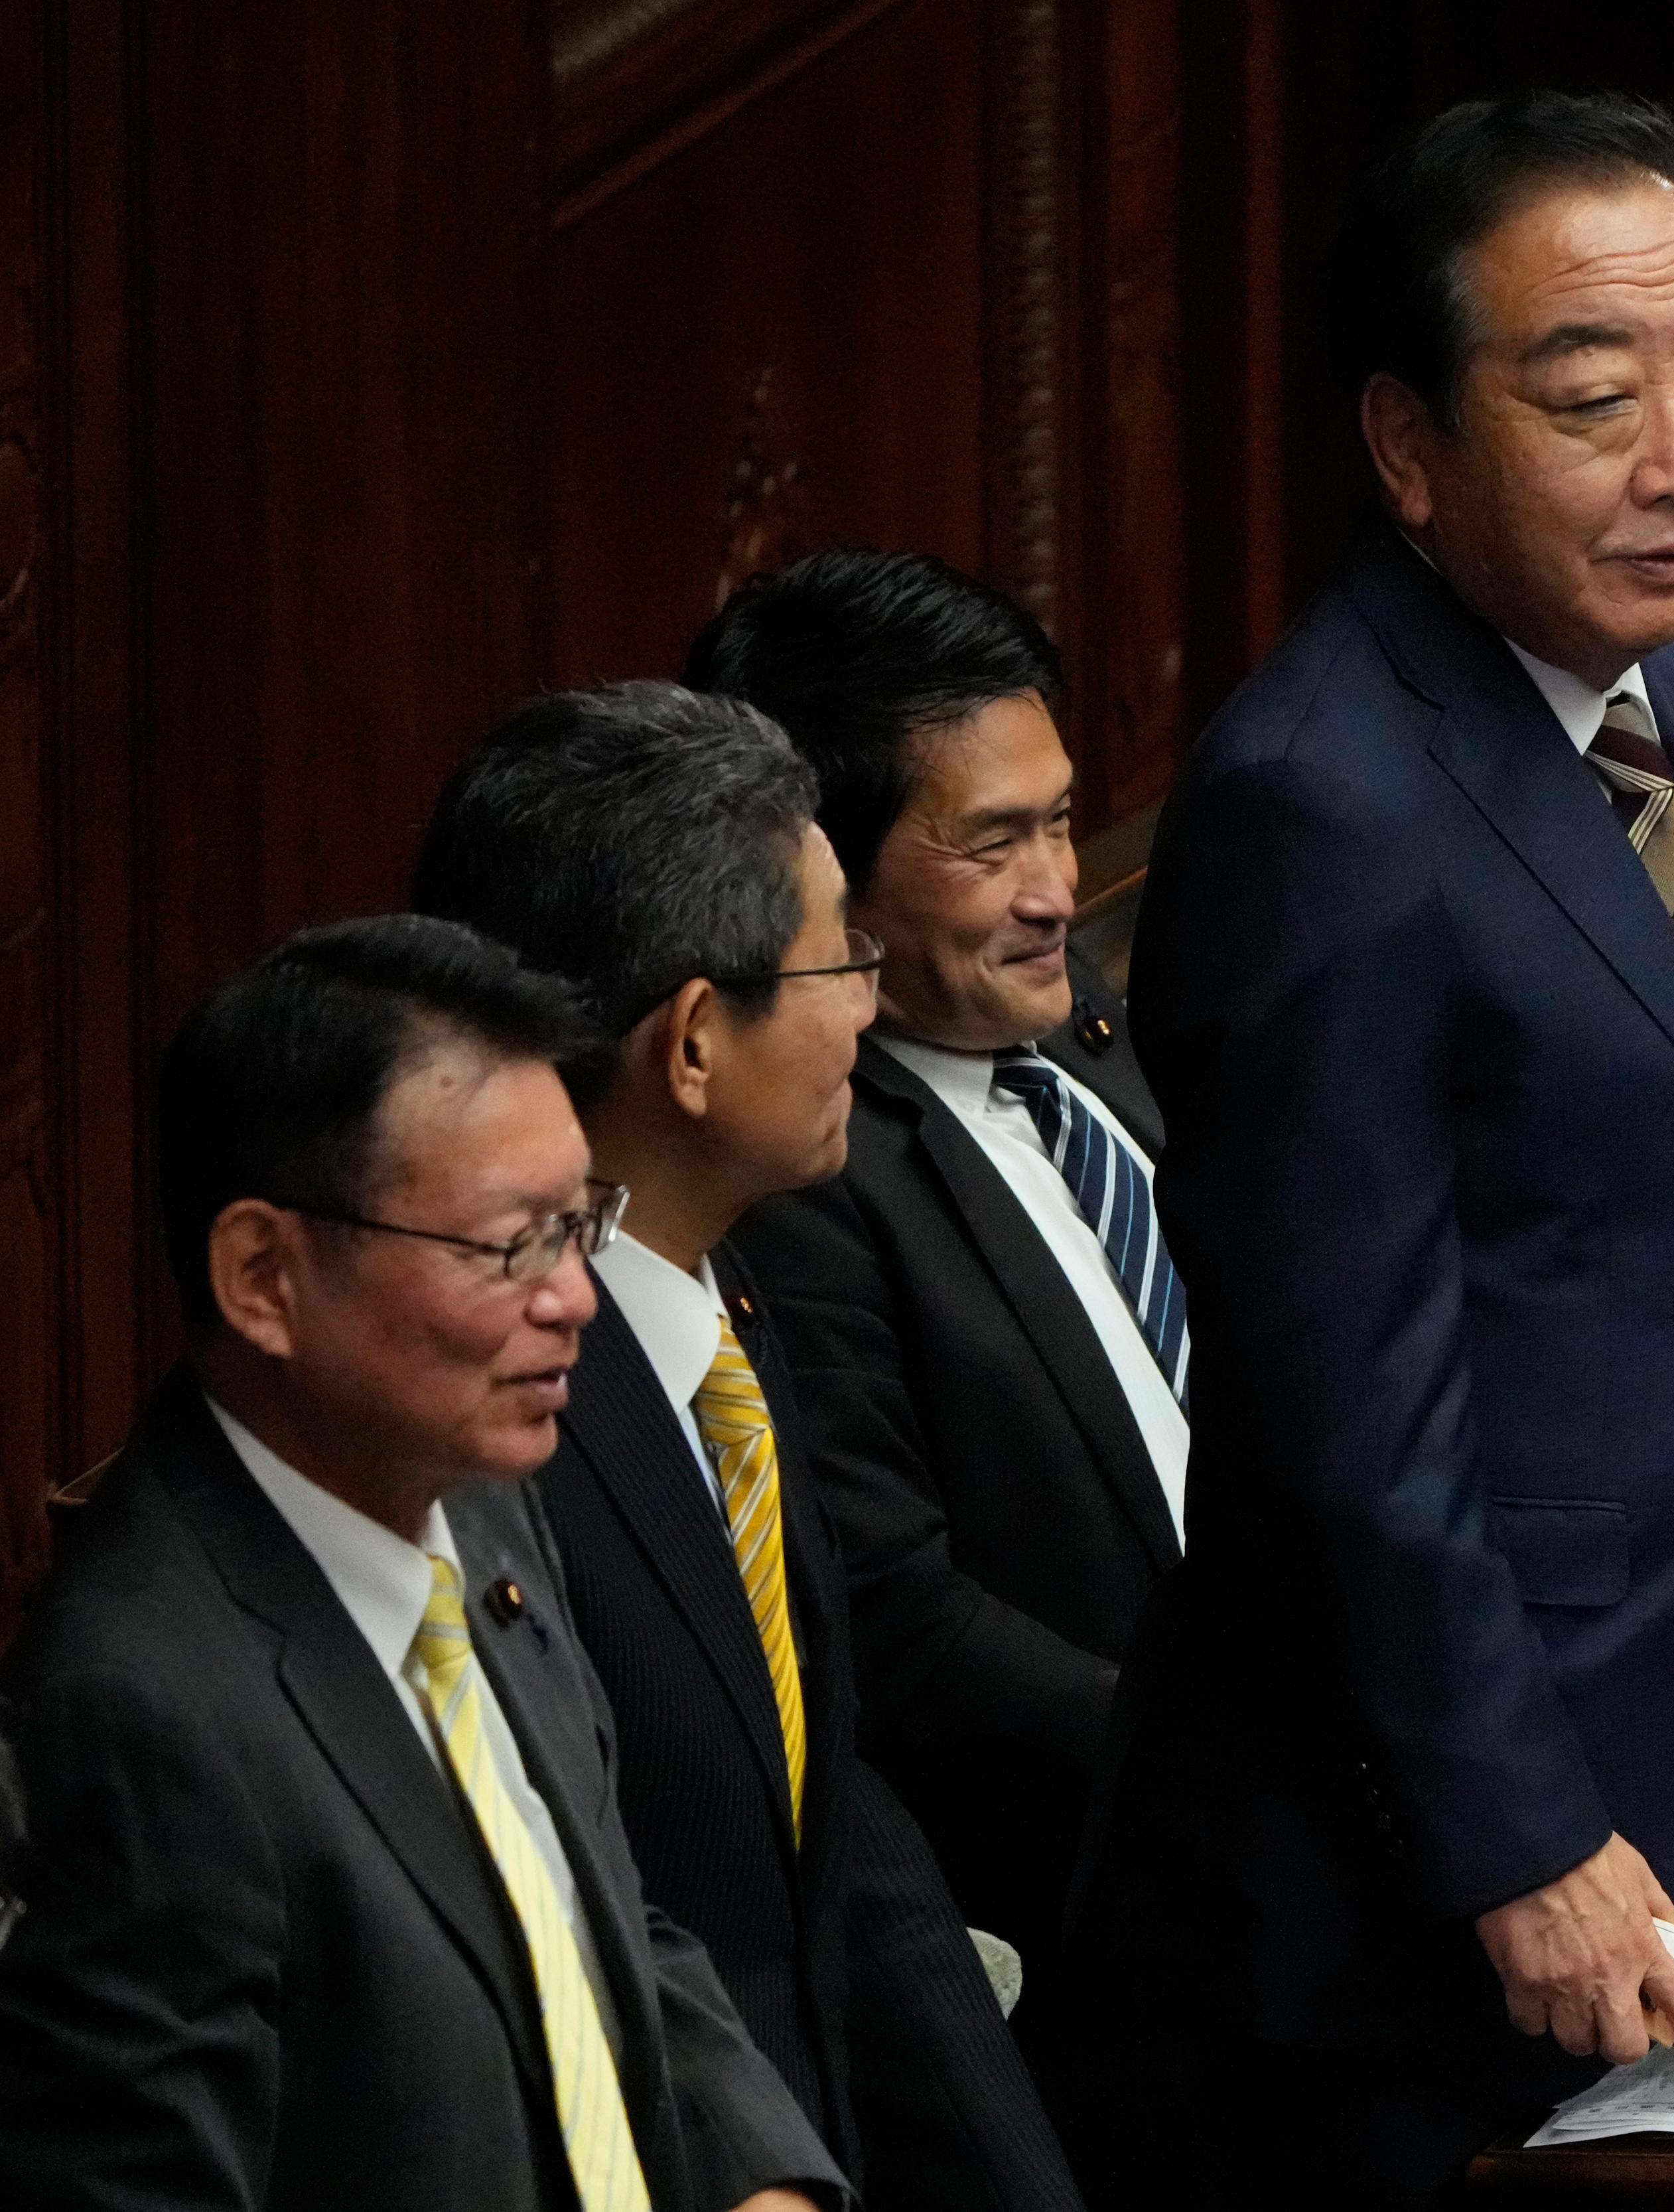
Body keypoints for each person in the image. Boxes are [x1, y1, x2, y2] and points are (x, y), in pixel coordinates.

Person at [1072, 92, 1674, 2201]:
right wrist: (1522, 1842)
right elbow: (1342, 1424)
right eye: (1592, 400)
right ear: (1408, 448)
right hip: (1425, 1894)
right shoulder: (1323, 806)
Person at [0, 916, 838, 2211]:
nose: (574, 1296)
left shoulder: (479, 1489)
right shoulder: (140, 1711)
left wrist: (757, 2181)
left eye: (580, 1225)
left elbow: (592, 1903)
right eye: (512, 1244)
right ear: (263, 1274)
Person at [411, 685, 1080, 2211]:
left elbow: (833, 1823)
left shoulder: (730, 1298)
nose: (868, 1001)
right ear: (695, 1045)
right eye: (837, 955)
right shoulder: (492, 1432)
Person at [689, 552, 1178, 2018]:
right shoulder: (800, 1185)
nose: (1056, 890)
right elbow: (899, 1618)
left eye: (1064, 821)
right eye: (993, 844)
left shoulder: (1088, 1029)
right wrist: (1228, 1757)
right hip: (1112, 1913)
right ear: (826, 870)